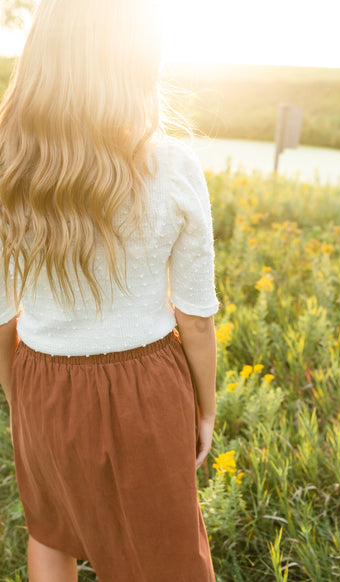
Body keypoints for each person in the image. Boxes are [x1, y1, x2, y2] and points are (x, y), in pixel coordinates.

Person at [0, 0, 219, 580]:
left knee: (50, 531)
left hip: (40, 383)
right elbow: (195, 318)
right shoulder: (173, 168)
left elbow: (0, 319)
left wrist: (19, 401)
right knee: (167, 556)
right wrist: (206, 410)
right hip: (143, 392)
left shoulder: (7, 164)